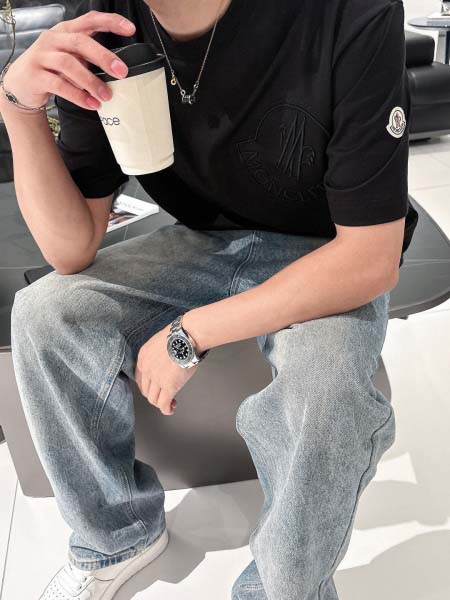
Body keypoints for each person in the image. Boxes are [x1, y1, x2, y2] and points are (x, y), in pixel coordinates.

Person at [1, 0, 418, 598]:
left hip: (327, 249)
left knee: (325, 388)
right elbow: (70, 249)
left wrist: (190, 334)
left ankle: (283, 589)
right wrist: (18, 108)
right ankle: (115, 536)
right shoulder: (103, 21)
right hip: (205, 238)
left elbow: (370, 257)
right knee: (45, 314)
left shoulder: (352, 12)